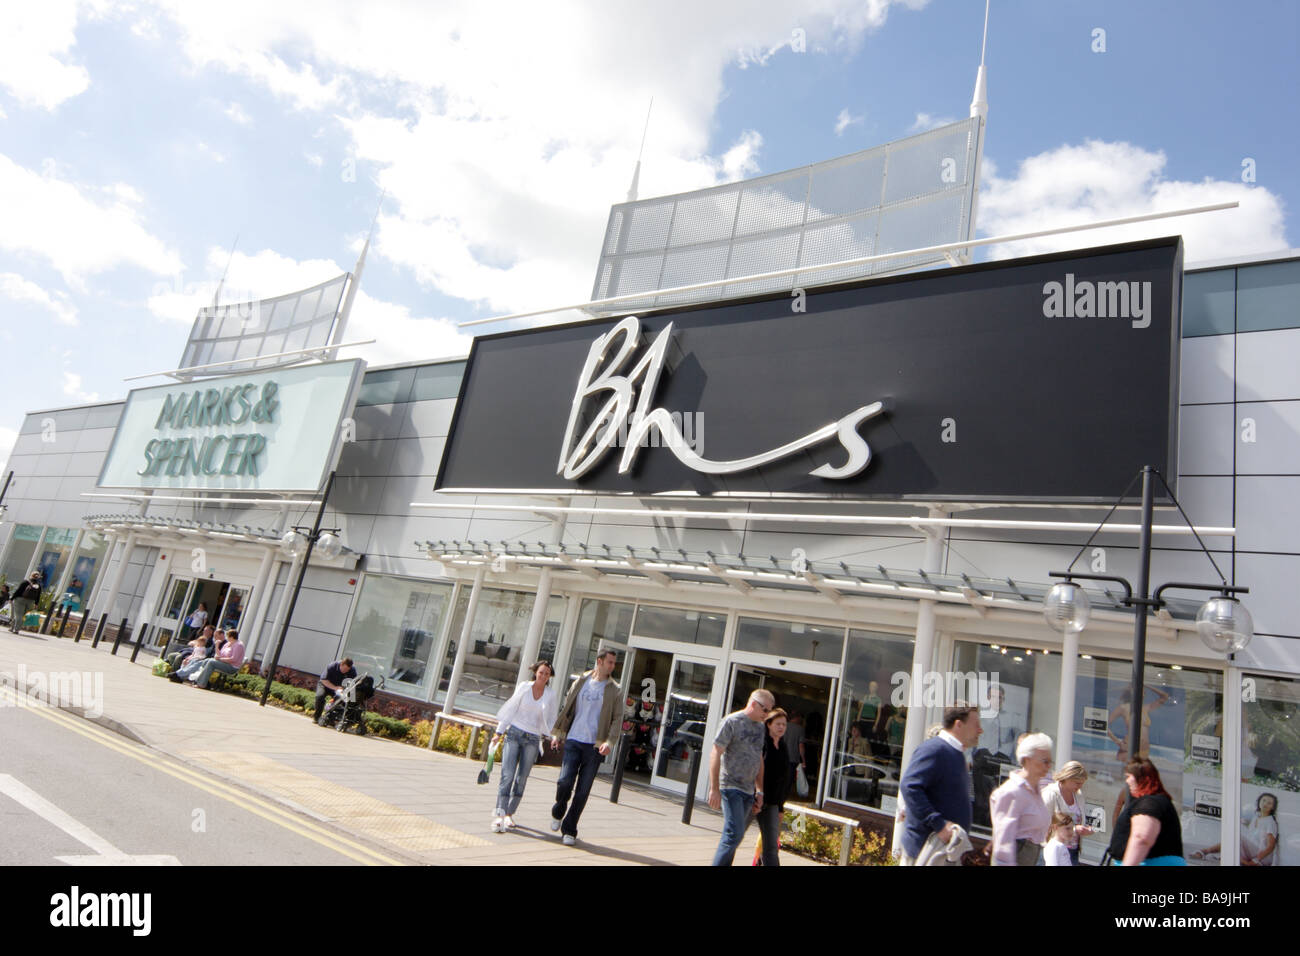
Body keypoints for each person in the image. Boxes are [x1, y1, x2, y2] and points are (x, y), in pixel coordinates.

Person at [548, 648, 622, 846]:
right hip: (573, 739)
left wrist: (609, 742)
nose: (613, 666)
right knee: (564, 781)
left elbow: (617, 719)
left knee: (583, 791)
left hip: (595, 746)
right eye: (610, 662)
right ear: (599, 661)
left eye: (614, 663)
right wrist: (558, 734)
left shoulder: (615, 689)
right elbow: (568, 708)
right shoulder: (581, 680)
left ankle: (570, 829)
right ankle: (558, 810)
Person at [897, 703, 982, 866]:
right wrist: (939, 824)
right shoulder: (934, 749)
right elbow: (910, 786)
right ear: (959, 725)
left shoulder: (956, 754)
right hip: (925, 852)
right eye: (976, 725)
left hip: (941, 853)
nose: (980, 730)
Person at [489, 659, 558, 833]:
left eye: (547, 674)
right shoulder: (524, 687)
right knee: (507, 774)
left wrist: (551, 735)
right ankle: (500, 813)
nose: (543, 676)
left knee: (522, 778)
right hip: (514, 734)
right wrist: (499, 732)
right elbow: (510, 709)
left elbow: (551, 718)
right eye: (541, 672)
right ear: (535, 672)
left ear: (550, 677)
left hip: (533, 739)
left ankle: (510, 813)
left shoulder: (550, 695)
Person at [708, 688, 773, 866]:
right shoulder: (732, 721)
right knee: (733, 834)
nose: (767, 715)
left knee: (734, 835)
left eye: (770, 711)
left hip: (748, 789)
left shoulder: (760, 728)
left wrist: (760, 791)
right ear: (753, 704)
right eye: (765, 710)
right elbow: (716, 752)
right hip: (730, 786)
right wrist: (714, 788)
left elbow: (758, 758)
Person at [990, 732, 1054, 866]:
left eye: (1050, 762)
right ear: (1027, 759)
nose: (1049, 766)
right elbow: (1003, 845)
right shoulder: (1012, 792)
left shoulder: (1034, 790)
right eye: (1044, 761)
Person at [1107, 757, 1185, 866]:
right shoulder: (1153, 801)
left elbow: (1141, 837)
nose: (1127, 781)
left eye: (1129, 777)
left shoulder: (1150, 802)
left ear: (1140, 778)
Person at [1191, 792, 1280, 866]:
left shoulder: (1270, 822)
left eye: (1269, 803)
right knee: (1233, 837)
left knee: (1236, 838)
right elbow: (1253, 835)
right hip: (1253, 852)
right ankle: (1243, 862)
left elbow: (1270, 847)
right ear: (1259, 801)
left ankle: (1204, 852)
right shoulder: (1256, 817)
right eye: (1264, 800)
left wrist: (1256, 860)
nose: (1265, 804)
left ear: (1272, 807)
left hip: (1263, 857)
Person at [755, 707, 790, 866]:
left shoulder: (783, 746)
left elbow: (784, 779)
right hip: (754, 798)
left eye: (784, 724)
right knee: (733, 838)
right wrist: (756, 793)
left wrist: (780, 807)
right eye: (778, 724)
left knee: (771, 846)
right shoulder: (762, 743)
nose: (781, 727)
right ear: (768, 724)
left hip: (772, 803)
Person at [1042, 760, 1093, 865]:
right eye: (1077, 783)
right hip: (1054, 850)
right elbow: (1042, 824)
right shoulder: (1050, 794)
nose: (1080, 787)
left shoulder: (1078, 796)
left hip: (1073, 850)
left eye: (1082, 784)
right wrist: (1074, 829)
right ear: (1067, 777)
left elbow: (1079, 820)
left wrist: (1085, 829)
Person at [1108, 685, 1170, 760]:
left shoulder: (1146, 708)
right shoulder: (1123, 708)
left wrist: (1147, 685)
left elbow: (1165, 697)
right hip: (1129, 748)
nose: (1143, 695)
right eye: (1141, 692)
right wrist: (1118, 742)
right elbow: (1105, 725)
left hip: (1144, 750)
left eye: (1144, 692)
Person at [175, 629, 245, 689]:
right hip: (223, 662)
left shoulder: (239, 645)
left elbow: (233, 659)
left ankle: (201, 684)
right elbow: (220, 654)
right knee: (205, 661)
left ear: (232, 637)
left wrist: (220, 659)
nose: (227, 638)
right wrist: (217, 646)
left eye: (228, 636)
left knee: (211, 662)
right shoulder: (228, 644)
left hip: (231, 666)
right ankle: (184, 675)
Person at [313, 658, 355, 722]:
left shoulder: (352, 670)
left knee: (339, 701)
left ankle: (330, 719)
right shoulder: (332, 666)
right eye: (344, 669)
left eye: (348, 670)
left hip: (338, 688)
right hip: (325, 685)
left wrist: (344, 689)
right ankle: (317, 718)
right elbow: (324, 680)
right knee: (320, 696)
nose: (346, 671)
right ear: (341, 664)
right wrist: (335, 687)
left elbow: (351, 684)